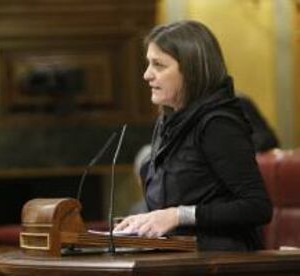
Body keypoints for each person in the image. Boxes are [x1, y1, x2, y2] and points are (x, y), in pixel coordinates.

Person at [114, 20, 273, 251]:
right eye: (148, 64)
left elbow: (257, 206)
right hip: (178, 257)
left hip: (219, 260)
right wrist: (142, 221)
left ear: (190, 70)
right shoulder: (168, 120)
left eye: (158, 65)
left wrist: (179, 215)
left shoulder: (218, 124)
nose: (147, 75)